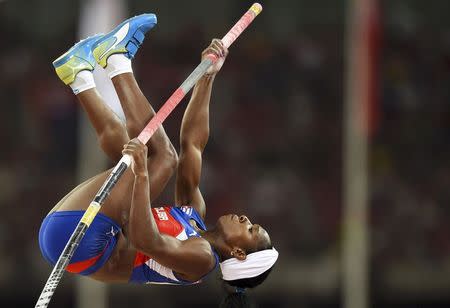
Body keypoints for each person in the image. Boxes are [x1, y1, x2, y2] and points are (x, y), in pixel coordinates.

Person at [38, 13, 278, 307]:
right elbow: (193, 144)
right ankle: (80, 77)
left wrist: (141, 174)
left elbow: (145, 241)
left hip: (85, 245)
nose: (245, 219)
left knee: (161, 158)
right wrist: (207, 78)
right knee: (144, 154)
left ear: (239, 253)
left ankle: (116, 61)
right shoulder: (193, 214)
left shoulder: (201, 260)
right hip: (83, 230)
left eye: (250, 229)